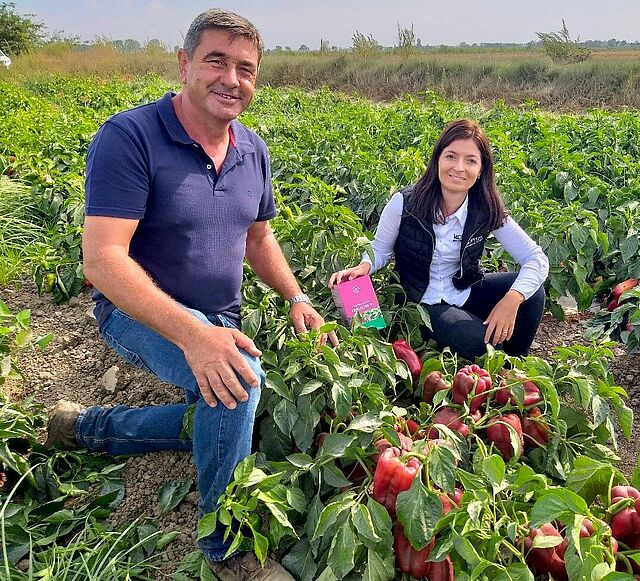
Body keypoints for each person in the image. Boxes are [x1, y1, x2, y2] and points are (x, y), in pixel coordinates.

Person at [44, 9, 332, 581]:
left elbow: (259, 238)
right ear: (184, 64)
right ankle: (224, 547)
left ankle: (88, 427)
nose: (232, 79)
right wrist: (196, 335)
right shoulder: (131, 137)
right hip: (136, 314)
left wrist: (297, 297)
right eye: (216, 61)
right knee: (239, 384)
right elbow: (103, 261)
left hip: (219, 316)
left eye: (245, 68)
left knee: (225, 408)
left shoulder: (252, 149)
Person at [329, 119, 548, 360]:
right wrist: (365, 266)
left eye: (471, 160)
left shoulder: (485, 208)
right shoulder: (404, 203)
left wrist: (512, 299)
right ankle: (489, 356)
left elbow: (535, 258)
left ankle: (515, 363)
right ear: (437, 160)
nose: (459, 168)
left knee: (532, 292)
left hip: (464, 289)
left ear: (481, 170)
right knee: (476, 341)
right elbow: (380, 250)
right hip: (422, 299)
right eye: (451, 156)